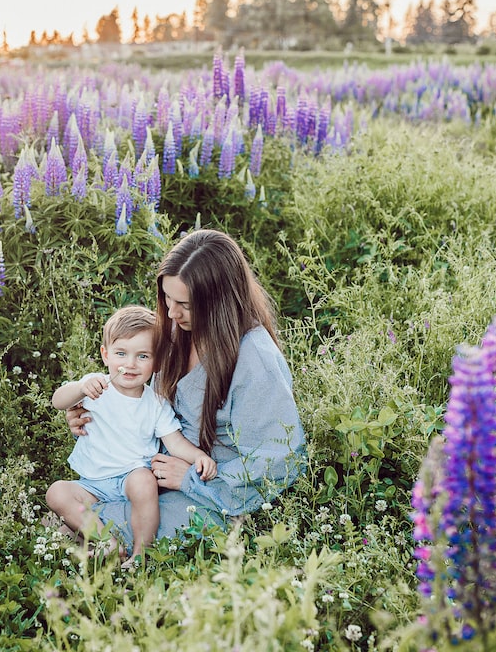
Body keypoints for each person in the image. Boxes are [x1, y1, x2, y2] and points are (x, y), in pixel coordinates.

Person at [66, 229, 306, 548]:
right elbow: (150, 408)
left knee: (80, 528)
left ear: (220, 302)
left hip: (214, 496)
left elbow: (276, 460)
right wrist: (97, 415)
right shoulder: (179, 330)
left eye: (185, 305)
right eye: (167, 298)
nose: (171, 314)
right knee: (67, 502)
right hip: (148, 473)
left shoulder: (255, 360)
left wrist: (190, 480)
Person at [46, 305, 217, 562]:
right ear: (105, 355)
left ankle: (140, 553)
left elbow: (175, 442)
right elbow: (58, 401)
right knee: (56, 492)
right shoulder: (96, 387)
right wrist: (80, 387)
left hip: (130, 478)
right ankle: (108, 542)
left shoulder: (156, 403)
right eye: (121, 353)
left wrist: (198, 457)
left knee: (144, 481)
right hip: (92, 483)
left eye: (143, 356)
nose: (130, 364)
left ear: (157, 361)